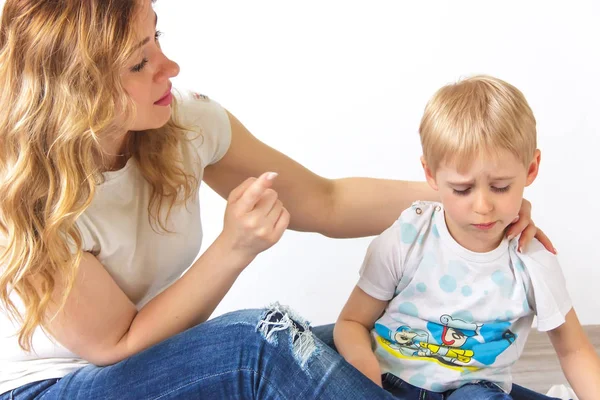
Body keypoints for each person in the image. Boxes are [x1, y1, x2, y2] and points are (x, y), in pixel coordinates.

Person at [0, 1, 554, 399]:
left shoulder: (181, 121)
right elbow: (116, 345)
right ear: (80, 89)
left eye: (157, 39)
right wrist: (233, 248)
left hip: (164, 359)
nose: (169, 67)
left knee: (380, 341)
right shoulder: (24, 196)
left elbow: (326, 201)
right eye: (139, 63)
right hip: (58, 386)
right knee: (261, 343)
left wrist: (464, 200)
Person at [334, 75, 600, 399]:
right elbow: (351, 322)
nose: (483, 206)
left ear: (531, 169)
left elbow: (574, 351)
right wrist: (365, 380)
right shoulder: (408, 238)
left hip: (475, 390)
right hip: (389, 381)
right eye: (462, 189)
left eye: (501, 187)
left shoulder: (533, 262)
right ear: (431, 174)